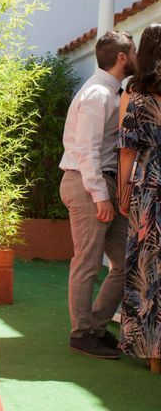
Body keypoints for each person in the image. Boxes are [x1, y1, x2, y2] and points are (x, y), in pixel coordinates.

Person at [59, 30, 137, 359]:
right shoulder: (97, 95)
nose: (136, 57)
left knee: (125, 261)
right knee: (87, 264)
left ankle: (97, 326)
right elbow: (87, 150)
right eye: (133, 52)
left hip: (101, 184)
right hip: (86, 183)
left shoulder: (110, 92)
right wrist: (100, 195)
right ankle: (81, 334)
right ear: (122, 58)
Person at [117, 23, 161, 373]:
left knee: (146, 265)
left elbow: (128, 152)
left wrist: (121, 191)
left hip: (148, 187)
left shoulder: (138, 99)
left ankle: (149, 347)